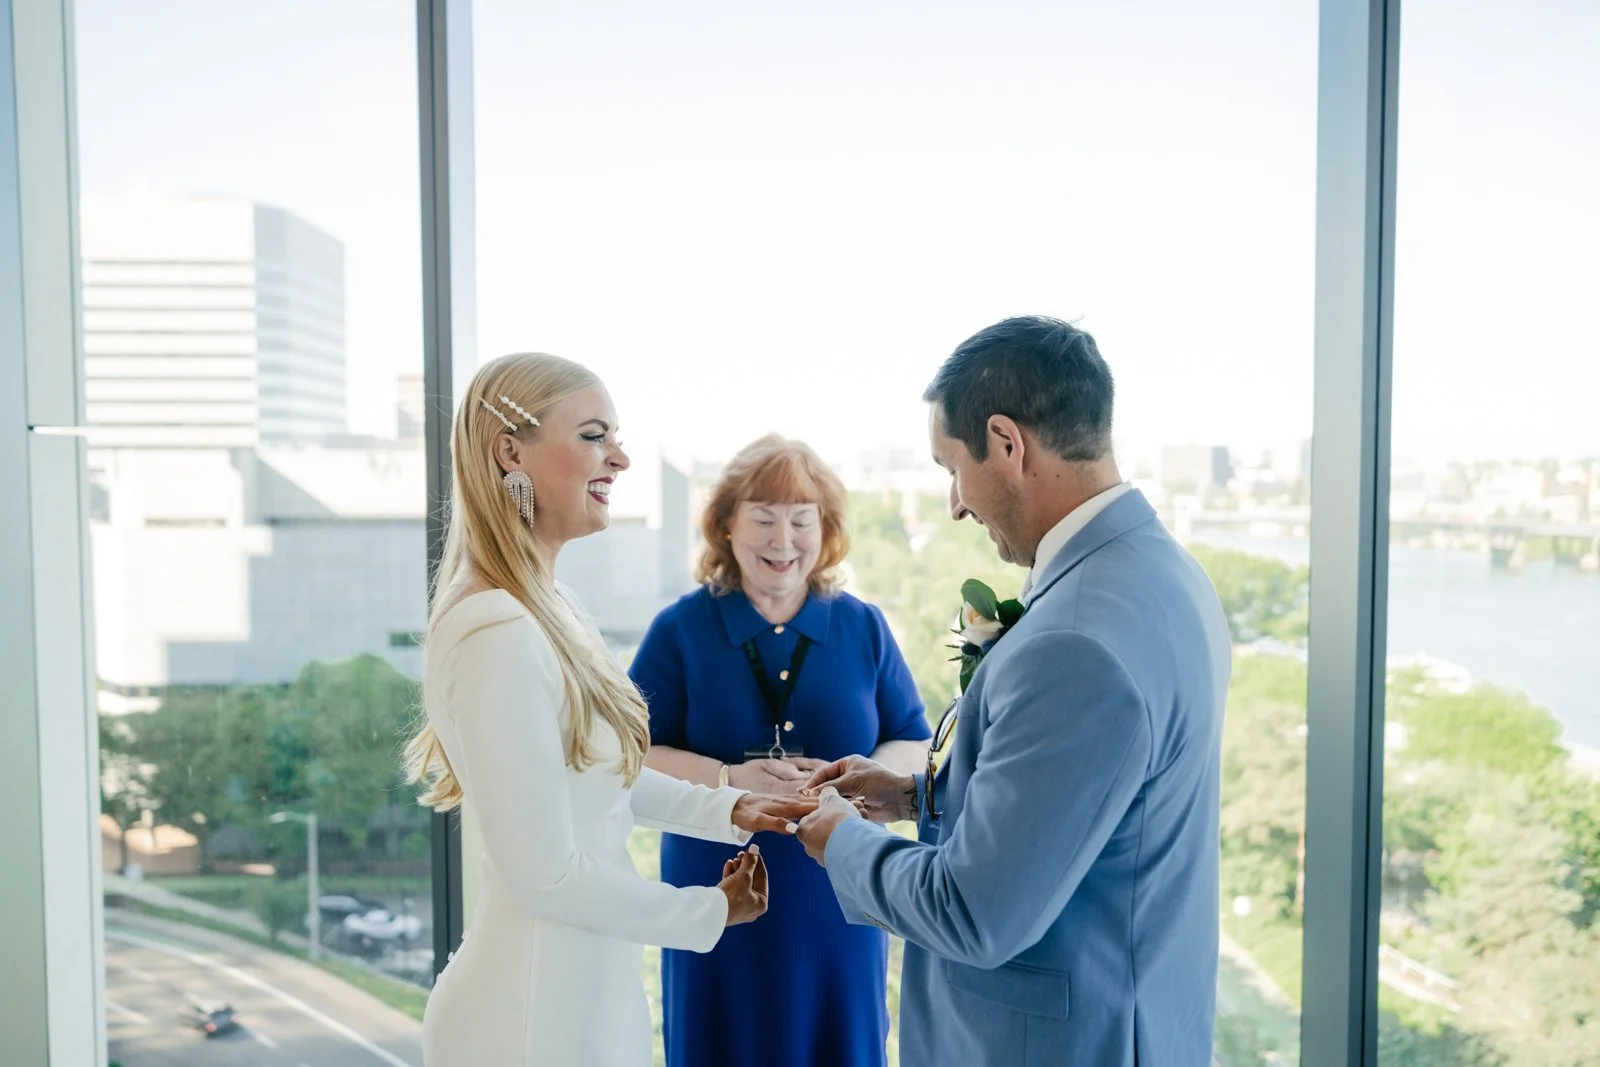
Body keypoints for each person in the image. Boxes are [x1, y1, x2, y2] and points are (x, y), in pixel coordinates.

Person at [796, 316, 1232, 1066]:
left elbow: (972, 912)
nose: (955, 504)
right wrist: (915, 796)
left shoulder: (1075, 639)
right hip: (1144, 1014)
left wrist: (840, 837)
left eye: (950, 467)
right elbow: (1096, 804)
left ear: (1006, 442)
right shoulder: (1167, 575)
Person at [403, 353, 816, 1066]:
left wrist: (728, 807)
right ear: (511, 451)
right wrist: (709, 911)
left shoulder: (547, 607)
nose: (620, 458)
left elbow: (591, 777)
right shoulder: (497, 629)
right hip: (528, 1023)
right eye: (595, 435)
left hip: (581, 999)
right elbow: (548, 874)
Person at [630, 434, 932, 1067]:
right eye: (764, 519)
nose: (783, 540)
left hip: (839, 891)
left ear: (826, 531)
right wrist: (727, 775)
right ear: (726, 526)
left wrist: (862, 778)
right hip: (715, 890)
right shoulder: (680, 629)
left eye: (802, 520)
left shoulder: (863, 626)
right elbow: (632, 755)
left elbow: (911, 737)